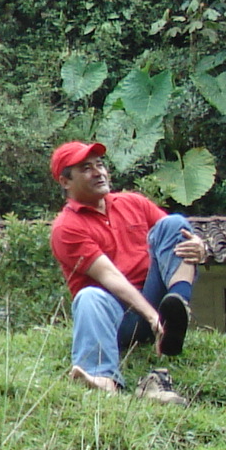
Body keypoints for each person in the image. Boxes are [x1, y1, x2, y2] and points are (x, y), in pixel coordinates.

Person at [49, 141, 208, 404]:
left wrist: (200, 247)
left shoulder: (132, 202)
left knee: (175, 224)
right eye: (86, 168)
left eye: (100, 165)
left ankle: (178, 306)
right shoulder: (66, 228)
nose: (98, 172)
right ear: (66, 182)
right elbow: (110, 277)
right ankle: (101, 377)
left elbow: (173, 240)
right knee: (90, 297)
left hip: (156, 299)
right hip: (118, 319)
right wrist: (151, 315)